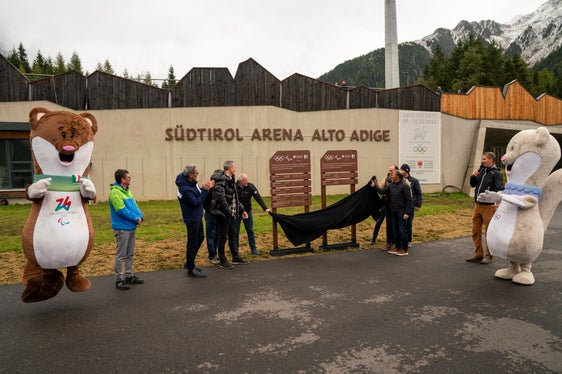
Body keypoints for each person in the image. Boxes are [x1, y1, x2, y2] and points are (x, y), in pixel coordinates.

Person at [176, 164, 215, 278]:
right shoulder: (185, 189)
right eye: (196, 173)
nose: (198, 175)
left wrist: (204, 188)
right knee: (192, 242)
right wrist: (205, 190)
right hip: (191, 218)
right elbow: (195, 203)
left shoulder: (192, 184)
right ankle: (190, 268)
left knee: (200, 238)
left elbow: (198, 196)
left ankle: (189, 262)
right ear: (190, 175)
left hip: (197, 216)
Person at [108, 169, 145, 290]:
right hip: (122, 228)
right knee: (121, 255)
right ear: (122, 180)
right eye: (128, 177)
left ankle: (128, 275)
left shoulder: (127, 191)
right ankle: (119, 279)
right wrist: (136, 218)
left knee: (130, 253)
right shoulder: (115, 193)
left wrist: (140, 216)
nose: (130, 179)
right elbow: (121, 210)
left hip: (131, 227)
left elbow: (135, 205)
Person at [210, 160, 249, 269]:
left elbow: (235, 198)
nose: (235, 169)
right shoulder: (221, 181)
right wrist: (229, 211)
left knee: (233, 234)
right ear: (230, 168)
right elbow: (221, 199)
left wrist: (242, 210)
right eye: (234, 167)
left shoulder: (231, 180)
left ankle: (235, 256)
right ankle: (222, 260)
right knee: (223, 237)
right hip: (223, 214)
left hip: (231, 214)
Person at [467, 152, 504, 264]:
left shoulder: (496, 173)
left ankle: (489, 255)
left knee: (489, 232)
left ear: (491, 160)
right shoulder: (482, 170)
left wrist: (496, 200)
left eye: (484, 159)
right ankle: (478, 254)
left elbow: (499, 188)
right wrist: (473, 176)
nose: (482, 161)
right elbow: (473, 185)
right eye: (482, 159)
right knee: (475, 231)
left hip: (489, 207)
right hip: (477, 206)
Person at [371, 169, 413, 256]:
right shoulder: (391, 185)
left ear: (397, 176)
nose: (391, 175)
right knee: (395, 230)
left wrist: (407, 213)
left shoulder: (404, 186)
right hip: (394, 211)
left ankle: (404, 249)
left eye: (393, 174)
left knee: (402, 230)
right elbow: (382, 191)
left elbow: (409, 200)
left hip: (402, 211)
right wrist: (374, 186)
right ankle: (397, 247)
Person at [234, 173, 271, 255]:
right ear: (240, 181)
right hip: (237, 212)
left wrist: (265, 208)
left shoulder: (250, 186)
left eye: (247, 179)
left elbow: (258, 197)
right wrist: (241, 210)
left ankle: (253, 248)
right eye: (244, 180)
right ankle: (235, 250)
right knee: (235, 231)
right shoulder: (234, 187)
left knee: (250, 230)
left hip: (248, 211)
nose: (246, 182)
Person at [400, 164, 422, 248]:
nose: (400, 171)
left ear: (406, 171)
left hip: (410, 206)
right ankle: (402, 240)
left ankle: (409, 240)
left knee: (408, 224)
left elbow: (419, 193)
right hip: (401, 206)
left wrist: (418, 205)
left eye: (402, 170)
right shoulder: (400, 180)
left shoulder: (414, 181)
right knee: (402, 224)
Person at [377, 165, 398, 250]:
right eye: (389, 170)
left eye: (391, 170)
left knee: (395, 225)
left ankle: (395, 242)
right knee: (389, 224)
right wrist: (375, 184)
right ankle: (388, 242)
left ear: (396, 171)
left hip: (397, 206)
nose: (389, 172)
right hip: (388, 205)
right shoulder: (386, 180)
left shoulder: (402, 180)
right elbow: (380, 188)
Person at [204, 169, 222, 265]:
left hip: (219, 215)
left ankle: (215, 253)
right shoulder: (208, 189)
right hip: (210, 215)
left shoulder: (221, 188)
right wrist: (211, 211)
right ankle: (212, 255)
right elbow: (205, 203)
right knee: (211, 236)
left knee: (217, 235)